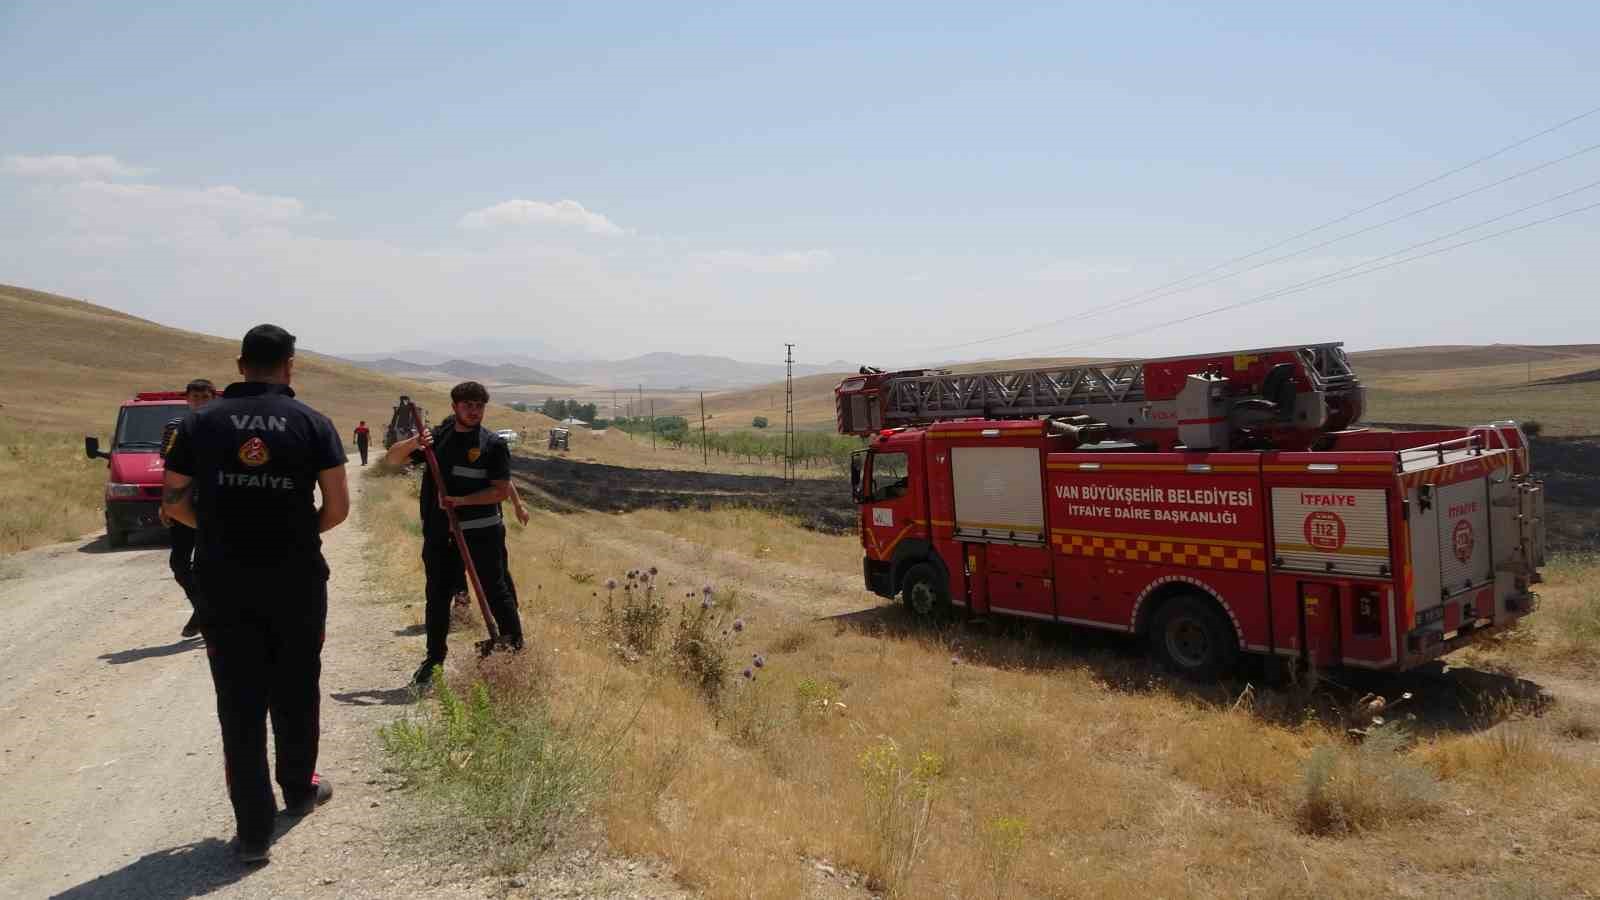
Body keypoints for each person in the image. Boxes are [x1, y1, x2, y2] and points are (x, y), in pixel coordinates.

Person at [161, 324, 350, 865]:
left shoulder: (198, 424)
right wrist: (292, 534)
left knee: (238, 701)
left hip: (224, 579)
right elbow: (336, 508)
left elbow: (173, 502)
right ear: (290, 366)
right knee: (296, 686)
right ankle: (299, 788)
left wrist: (220, 532)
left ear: (241, 365)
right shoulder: (314, 422)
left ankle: (253, 831)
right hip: (295, 577)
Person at [383, 382, 523, 685]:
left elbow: (499, 491)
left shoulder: (493, 445)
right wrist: (414, 442)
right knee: (437, 596)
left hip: (481, 533)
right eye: (468, 405)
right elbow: (393, 459)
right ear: (455, 407)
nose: (474, 411)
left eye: (479, 406)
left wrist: (462, 501)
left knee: (495, 590)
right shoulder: (437, 439)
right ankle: (434, 660)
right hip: (440, 535)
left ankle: (514, 652)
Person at [160, 378, 216, 638]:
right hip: (183, 504)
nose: (200, 402)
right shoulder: (175, 428)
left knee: (209, 564)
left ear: (213, 398)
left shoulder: (223, 425)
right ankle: (203, 610)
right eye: (195, 397)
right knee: (179, 563)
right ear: (187, 399)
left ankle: (210, 615)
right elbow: (169, 471)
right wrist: (166, 504)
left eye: (205, 397)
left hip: (214, 503)